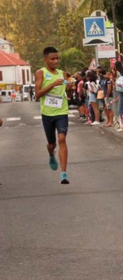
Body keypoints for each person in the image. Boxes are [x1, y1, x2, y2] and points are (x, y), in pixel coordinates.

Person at [34, 47, 70, 185]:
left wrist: (70, 88)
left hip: (62, 112)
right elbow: (37, 94)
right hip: (47, 114)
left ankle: (64, 174)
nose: (56, 61)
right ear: (45, 60)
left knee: (62, 138)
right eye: (52, 59)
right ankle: (51, 154)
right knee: (52, 144)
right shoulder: (40, 73)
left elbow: (67, 93)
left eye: (57, 58)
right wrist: (53, 84)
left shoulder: (62, 73)